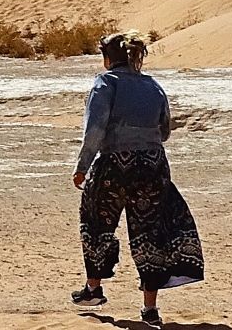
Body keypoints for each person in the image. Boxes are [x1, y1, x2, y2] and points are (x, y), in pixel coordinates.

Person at [71, 30, 204, 322]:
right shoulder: (153, 86)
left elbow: (94, 129)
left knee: (96, 220)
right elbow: (165, 130)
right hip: (154, 165)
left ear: (108, 58)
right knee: (149, 232)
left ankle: (93, 287)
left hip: (114, 165)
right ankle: (150, 308)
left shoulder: (105, 83)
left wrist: (82, 166)